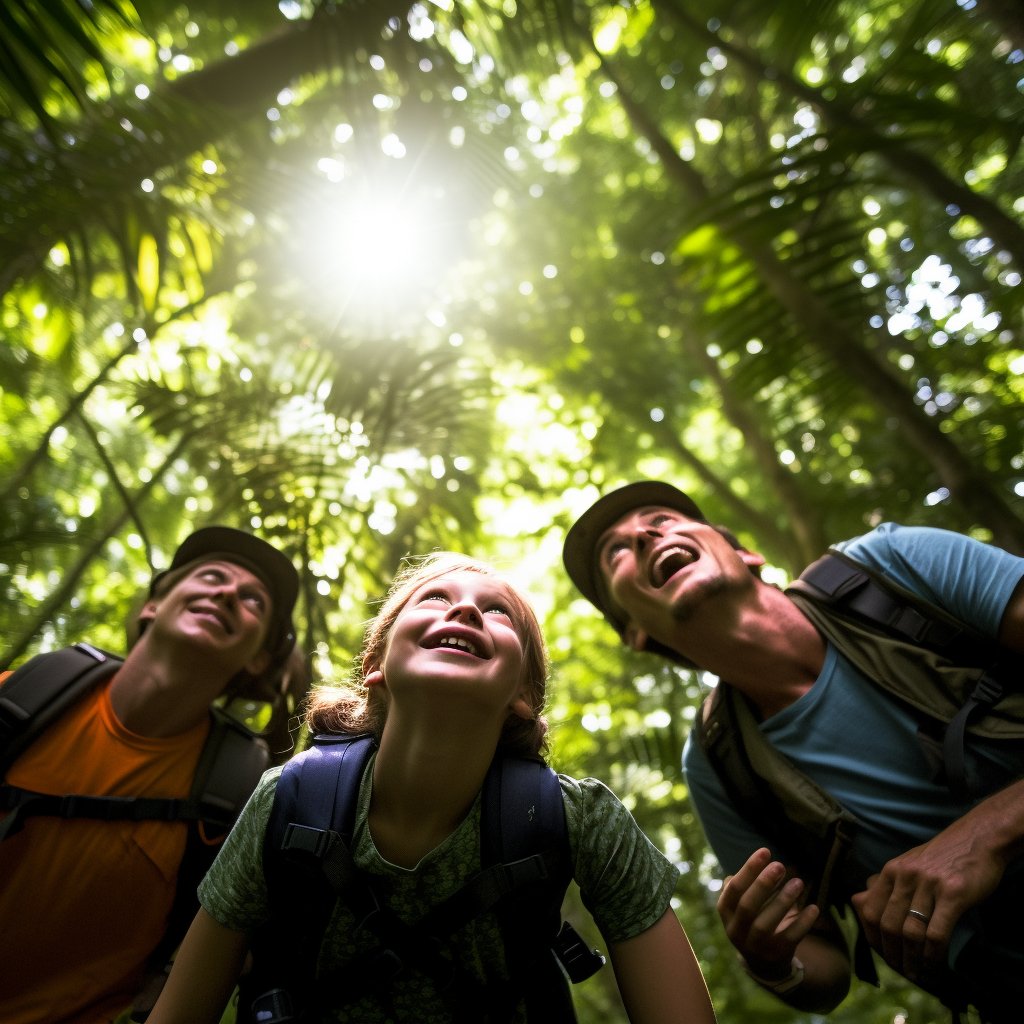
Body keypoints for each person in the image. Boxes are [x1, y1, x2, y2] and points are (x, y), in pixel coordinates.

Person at [149, 552, 718, 1024]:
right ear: (377, 664)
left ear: (524, 695)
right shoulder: (288, 801)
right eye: (436, 599)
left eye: (498, 613)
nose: (467, 608)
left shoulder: (579, 818)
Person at [562, 480, 1024, 1023]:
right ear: (635, 631)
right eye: (615, 551)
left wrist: (989, 832)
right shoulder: (717, 762)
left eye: (659, 517)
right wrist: (772, 960)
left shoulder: (891, 567)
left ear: (743, 553)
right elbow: (823, 973)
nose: (642, 535)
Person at [0, 526, 301, 1024]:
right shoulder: (21, 702)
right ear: (153, 605)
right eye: (211, 577)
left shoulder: (242, 800)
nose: (227, 593)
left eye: (254, 601)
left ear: (257, 658)